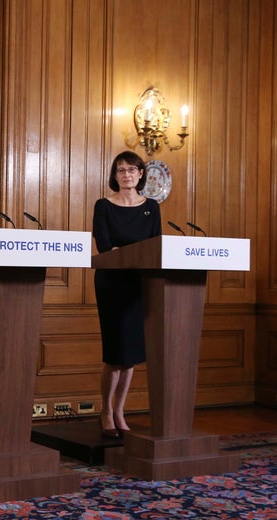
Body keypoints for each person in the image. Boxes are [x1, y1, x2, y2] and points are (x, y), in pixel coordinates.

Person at [92, 150, 161, 438]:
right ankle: (106, 410)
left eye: (131, 169)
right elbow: (105, 245)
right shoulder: (104, 206)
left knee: (131, 355)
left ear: (141, 173)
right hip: (112, 283)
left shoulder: (152, 207)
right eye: (120, 170)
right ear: (114, 175)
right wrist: (126, 252)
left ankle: (121, 410)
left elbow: (155, 245)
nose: (126, 175)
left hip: (139, 284)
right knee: (115, 354)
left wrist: (132, 252)